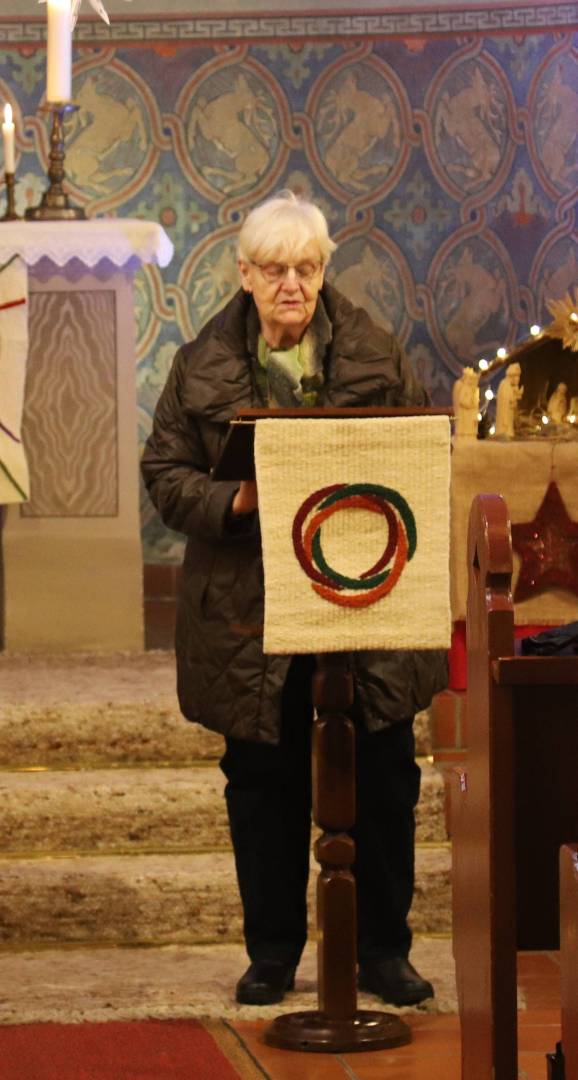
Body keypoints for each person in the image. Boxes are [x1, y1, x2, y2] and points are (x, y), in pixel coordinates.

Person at [141, 190, 447, 1008]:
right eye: (274, 270)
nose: (292, 285)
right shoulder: (200, 364)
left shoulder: (376, 354)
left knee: (384, 773)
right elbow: (164, 477)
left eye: (307, 269)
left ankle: (384, 950)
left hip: (366, 596)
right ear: (244, 274)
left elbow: (421, 450)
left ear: (324, 271)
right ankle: (273, 950)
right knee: (264, 776)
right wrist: (235, 502)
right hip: (253, 607)